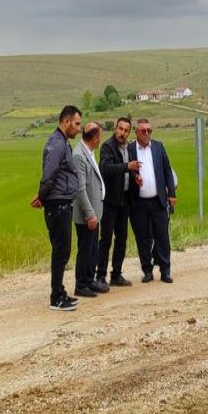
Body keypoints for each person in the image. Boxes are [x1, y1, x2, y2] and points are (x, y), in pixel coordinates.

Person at [31, 106, 83, 311]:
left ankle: (60, 292)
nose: (79, 129)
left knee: (63, 250)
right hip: (57, 203)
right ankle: (56, 297)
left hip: (62, 201)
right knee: (61, 251)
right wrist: (42, 197)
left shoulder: (62, 143)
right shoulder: (56, 144)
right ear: (66, 121)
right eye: (77, 124)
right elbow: (49, 174)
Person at [127, 118, 177, 283]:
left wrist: (171, 195)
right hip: (138, 202)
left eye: (149, 130)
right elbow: (125, 172)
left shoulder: (158, 147)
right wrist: (134, 177)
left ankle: (165, 271)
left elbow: (167, 170)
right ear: (136, 132)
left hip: (158, 201)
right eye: (143, 131)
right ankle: (147, 271)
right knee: (143, 238)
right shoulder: (129, 149)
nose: (147, 133)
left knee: (162, 236)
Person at [98, 117, 139, 287]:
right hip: (109, 202)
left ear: (129, 132)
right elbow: (105, 169)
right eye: (120, 129)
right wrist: (126, 166)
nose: (122, 133)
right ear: (115, 128)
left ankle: (116, 274)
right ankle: (100, 276)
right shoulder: (108, 146)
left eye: (126, 130)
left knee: (121, 239)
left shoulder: (128, 148)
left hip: (124, 200)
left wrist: (135, 177)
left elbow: (129, 171)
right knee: (106, 239)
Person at [72, 122, 105, 297]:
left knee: (93, 248)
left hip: (94, 211)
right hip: (86, 214)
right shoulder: (79, 155)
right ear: (94, 137)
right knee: (85, 248)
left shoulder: (89, 152)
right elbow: (80, 188)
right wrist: (90, 213)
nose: (101, 138)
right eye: (100, 135)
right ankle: (81, 284)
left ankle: (90, 279)